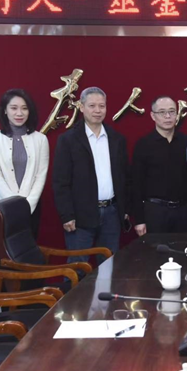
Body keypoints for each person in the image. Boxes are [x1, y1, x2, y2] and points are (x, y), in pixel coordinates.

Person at [52, 86, 129, 259]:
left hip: (111, 213)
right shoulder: (68, 140)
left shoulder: (116, 139)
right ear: (81, 107)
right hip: (80, 215)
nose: (97, 110)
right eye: (92, 106)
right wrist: (67, 215)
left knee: (109, 265)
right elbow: (60, 181)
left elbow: (125, 177)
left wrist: (124, 208)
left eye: (102, 106)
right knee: (78, 266)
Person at [0, 89, 49, 238]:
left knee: (28, 247)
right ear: (5, 110)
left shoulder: (40, 139)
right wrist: (14, 206)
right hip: (1, 204)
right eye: (14, 108)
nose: (19, 113)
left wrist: (28, 205)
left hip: (31, 205)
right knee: (3, 250)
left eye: (24, 108)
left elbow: (41, 175)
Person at [132, 96, 187, 235]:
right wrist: (139, 219)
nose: (168, 116)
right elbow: (136, 184)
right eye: (162, 112)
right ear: (153, 116)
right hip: (155, 211)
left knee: (182, 248)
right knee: (154, 249)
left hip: (183, 212)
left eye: (171, 111)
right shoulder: (143, 144)